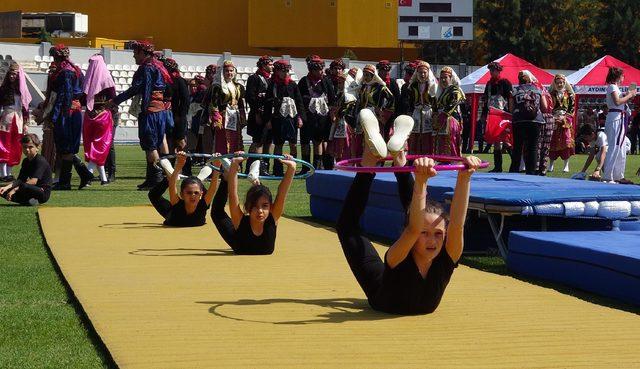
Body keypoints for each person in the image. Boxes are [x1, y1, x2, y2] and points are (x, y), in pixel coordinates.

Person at [336, 136, 481, 314]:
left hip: (391, 290)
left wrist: (465, 177)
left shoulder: (448, 255)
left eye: (438, 234)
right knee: (347, 227)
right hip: (381, 294)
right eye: (425, 234)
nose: (432, 241)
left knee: (416, 215)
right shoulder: (398, 255)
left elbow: (457, 225)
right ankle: (371, 164)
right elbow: (414, 228)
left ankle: (398, 159)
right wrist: (420, 181)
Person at [107, 41, 174, 191]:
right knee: (154, 144)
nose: (134, 56)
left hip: (150, 111)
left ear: (143, 53)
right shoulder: (160, 66)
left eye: (135, 53)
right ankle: (151, 179)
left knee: (150, 146)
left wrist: (115, 100)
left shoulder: (147, 68)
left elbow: (137, 88)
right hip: (161, 111)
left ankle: (156, 179)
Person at [210, 152, 297, 255]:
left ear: (270, 207)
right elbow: (233, 194)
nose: (260, 211)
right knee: (216, 212)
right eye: (255, 206)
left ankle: (255, 180)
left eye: (264, 206)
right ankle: (231, 177)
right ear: (247, 207)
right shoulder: (240, 221)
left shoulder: (273, 216)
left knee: (261, 195)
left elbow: (282, 193)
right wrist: (234, 166)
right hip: (236, 239)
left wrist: (292, 168)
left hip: (243, 242)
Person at [46, 44, 94, 191]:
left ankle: (66, 181)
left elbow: (64, 96)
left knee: (65, 147)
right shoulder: (75, 70)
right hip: (73, 111)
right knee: (66, 148)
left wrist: (54, 117)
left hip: (67, 112)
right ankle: (84, 174)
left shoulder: (66, 72)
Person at [149, 151, 216, 227]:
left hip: (198, 192)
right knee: (153, 195)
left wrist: (216, 167)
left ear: (201, 194)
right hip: (171, 214)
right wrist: (178, 166)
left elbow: (212, 189)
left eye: (196, 193)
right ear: (182, 194)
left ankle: (198, 180)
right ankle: (174, 177)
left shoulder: (203, 204)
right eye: (189, 193)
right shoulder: (176, 204)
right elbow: (172, 186)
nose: (193, 195)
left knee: (198, 189)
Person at [263, 60, 305, 176]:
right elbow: (267, 104)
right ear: (277, 71)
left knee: (293, 144)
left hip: (292, 118)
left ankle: (292, 168)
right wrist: (268, 120)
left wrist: (300, 118)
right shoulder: (273, 85)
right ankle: (278, 169)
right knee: (278, 144)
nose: (285, 73)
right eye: (283, 71)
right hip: (278, 119)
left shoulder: (293, 85)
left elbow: (299, 102)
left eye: (287, 71)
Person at [82, 54, 116, 186]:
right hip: (103, 116)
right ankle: (91, 176)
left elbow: (83, 99)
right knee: (100, 146)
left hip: (89, 116)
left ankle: (95, 176)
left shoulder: (87, 79)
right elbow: (113, 98)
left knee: (91, 145)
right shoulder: (107, 79)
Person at [298, 55, 335, 171]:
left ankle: (317, 166)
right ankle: (305, 167)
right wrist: (301, 116)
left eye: (321, 69)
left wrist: (332, 115)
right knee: (305, 142)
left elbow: (332, 99)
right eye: (318, 69)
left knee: (318, 141)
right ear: (312, 70)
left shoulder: (326, 81)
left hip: (322, 117)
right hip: (307, 117)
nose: (321, 72)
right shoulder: (303, 81)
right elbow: (298, 100)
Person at [602, 67, 636, 184]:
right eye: (622, 76)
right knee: (615, 146)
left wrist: (627, 96)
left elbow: (620, 101)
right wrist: (629, 95)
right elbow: (617, 102)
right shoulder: (612, 86)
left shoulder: (615, 87)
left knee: (621, 148)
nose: (623, 78)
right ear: (618, 76)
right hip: (615, 118)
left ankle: (618, 175)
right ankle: (608, 175)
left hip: (619, 117)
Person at [509, 70, 547, 175]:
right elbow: (545, 107)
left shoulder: (514, 90)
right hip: (535, 120)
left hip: (519, 120)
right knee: (533, 147)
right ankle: (531, 171)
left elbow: (511, 109)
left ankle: (514, 170)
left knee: (517, 146)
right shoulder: (539, 89)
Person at [354, 64, 395, 158]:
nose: (366, 77)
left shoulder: (380, 87)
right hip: (363, 115)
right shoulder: (362, 87)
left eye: (368, 75)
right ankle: (364, 159)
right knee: (363, 138)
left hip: (375, 116)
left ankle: (377, 159)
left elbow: (391, 98)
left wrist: (383, 111)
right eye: (364, 74)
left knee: (375, 137)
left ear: (373, 76)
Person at [0, 63, 31, 182]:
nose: (12, 76)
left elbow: (25, 108)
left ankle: (9, 171)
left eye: (15, 74)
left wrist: (26, 124)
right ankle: (3, 173)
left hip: (18, 120)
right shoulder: (3, 89)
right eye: (11, 74)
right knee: (3, 144)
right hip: (5, 118)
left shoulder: (22, 91)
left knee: (15, 145)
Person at [0, 134, 52, 206]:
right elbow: (20, 179)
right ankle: (29, 201)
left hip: (42, 192)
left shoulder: (40, 161)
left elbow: (33, 181)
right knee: (1, 190)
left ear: (37, 147)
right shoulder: (25, 161)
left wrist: (15, 189)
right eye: (25, 147)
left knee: (24, 186)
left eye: (30, 147)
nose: (27, 149)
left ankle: (31, 200)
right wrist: (7, 187)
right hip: (28, 190)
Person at [208, 60, 246, 156]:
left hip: (234, 117)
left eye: (231, 71)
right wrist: (216, 118)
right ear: (223, 72)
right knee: (223, 140)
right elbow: (214, 103)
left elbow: (241, 103)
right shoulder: (217, 86)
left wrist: (242, 117)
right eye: (227, 71)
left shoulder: (238, 86)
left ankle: (234, 162)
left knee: (235, 139)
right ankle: (221, 163)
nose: (229, 73)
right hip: (223, 117)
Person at [399, 61, 437, 155]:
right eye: (420, 72)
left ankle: (427, 158)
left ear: (428, 73)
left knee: (427, 137)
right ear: (417, 73)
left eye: (424, 72)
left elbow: (436, 101)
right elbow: (410, 102)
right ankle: (413, 159)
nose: (422, 74)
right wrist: (409, 113)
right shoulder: (412, 86)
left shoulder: (433, 86)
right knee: (414, 136)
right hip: (416, 113)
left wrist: (435, 114)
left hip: (428, 113)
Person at [480, 61, 512, 171]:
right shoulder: (488, 84)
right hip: (492, 115)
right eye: (490, 70)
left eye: (493, 70)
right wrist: (484, 115)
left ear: (499, 71)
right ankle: (498, 167)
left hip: (503, 116)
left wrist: (511, 114)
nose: (491, 72)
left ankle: (515, 163)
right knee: (496, 141)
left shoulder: (505, 83)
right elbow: (485, 100)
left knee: (506, 141)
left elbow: (510, 99)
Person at [245, 56, 274, 175]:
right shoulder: (254, 78)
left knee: (268, 141)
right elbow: (250, 97)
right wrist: (257, 112)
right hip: (258, 114)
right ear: (263, 65)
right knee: (258, 141)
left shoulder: (271, 79)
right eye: (270, 64)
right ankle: (253, 167)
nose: (272, 66)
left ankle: (264, 167)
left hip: (269, 114)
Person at [433, 67, 465, 156]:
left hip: (451, 118)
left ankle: (453, 160)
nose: (443, 80)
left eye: (445, 77)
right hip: (442, 119)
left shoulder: (455, 90)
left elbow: (454, 103)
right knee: (442, 139)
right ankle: (443, 159)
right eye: (441, 78)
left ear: (451, 78)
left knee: (451, 140)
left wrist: (443, 114)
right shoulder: (442, 91)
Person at [161, 58, 190, 155]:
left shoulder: (180, 81)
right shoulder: (164, 80)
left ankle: (185, 165)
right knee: (170, 141)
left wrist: (180, 115)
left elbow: (185, 99)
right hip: (169, 114)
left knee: (180, 140)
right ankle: (172, 165)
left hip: (178, 116)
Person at [548, 74, 576, 173]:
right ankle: (551, 164)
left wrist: (565, 119)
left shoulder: (570, 95)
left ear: (564, 83)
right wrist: (554, 118)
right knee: (552, 142)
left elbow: (572, 109)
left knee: (566, 143)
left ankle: (566, 165)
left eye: (561, 82)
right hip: (554, 120)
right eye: (558, 83)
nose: (560, 84)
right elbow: (548, 108)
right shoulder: (550, 94)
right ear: (555, 83)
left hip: (565, 121)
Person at [377, 60, 401, 139]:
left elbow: (397, 99)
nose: (384, 72)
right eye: (382, 70)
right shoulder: (375, 82)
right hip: (377, 111)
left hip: (390, 113)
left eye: (386, 70)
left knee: (388, 134)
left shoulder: (392, 82)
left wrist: (395, 114)